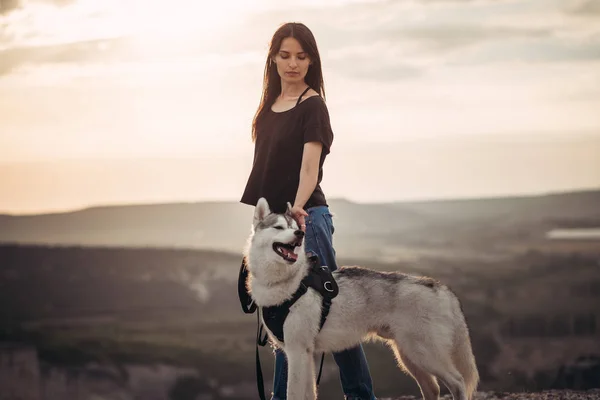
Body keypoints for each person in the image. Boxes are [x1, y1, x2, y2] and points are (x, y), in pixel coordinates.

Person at [240, 22, 377, 400]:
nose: (292, 63)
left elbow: (308, 168)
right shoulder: (267, 108)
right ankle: (358, 395)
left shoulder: (312, 105)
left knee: (311, 318)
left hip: (307, 222)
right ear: (273, 58)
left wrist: (297, 210)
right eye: (285, 55)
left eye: (301, 56)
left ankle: (356, 395)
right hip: (278, 228)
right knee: (307, 319)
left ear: (312, 60)